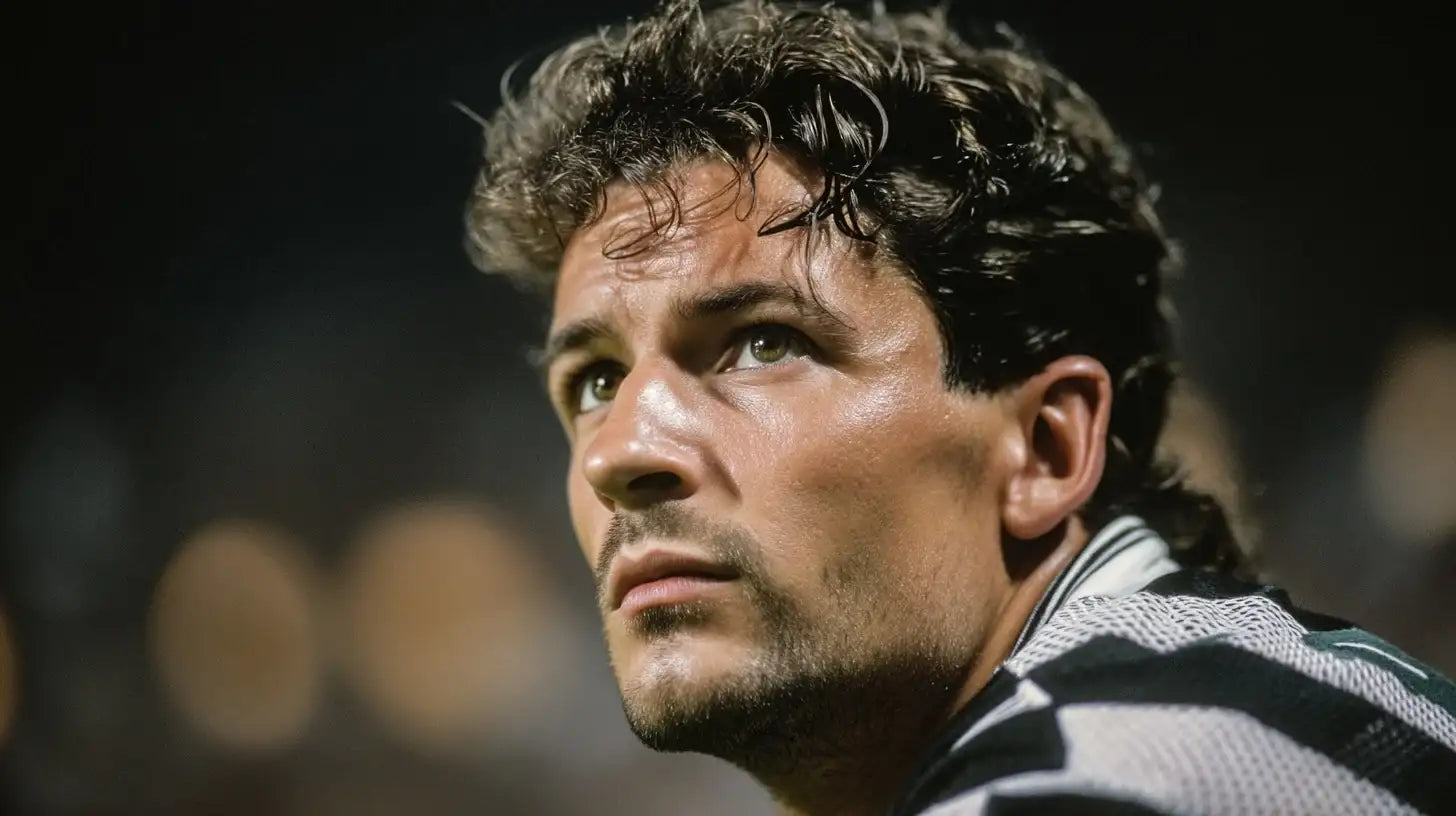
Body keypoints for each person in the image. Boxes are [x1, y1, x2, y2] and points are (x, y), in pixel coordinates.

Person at [461, 1, 1456, 812]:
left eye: (764, 343)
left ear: (1045, 446)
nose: (618, 452)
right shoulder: (1210, 691)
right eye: (594, 381)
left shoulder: (1114, 776)